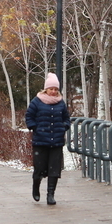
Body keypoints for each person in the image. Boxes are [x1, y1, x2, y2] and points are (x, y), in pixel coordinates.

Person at [25, 72, 71, 205]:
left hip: (56, 141)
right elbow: (29, 116)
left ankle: (51, 194)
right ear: (46, 89)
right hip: (40, 141)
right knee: (39, 167)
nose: (53, 91)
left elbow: (66, 118)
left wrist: (64, 126)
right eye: (51, 89)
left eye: (56, 89)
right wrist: (35, 127)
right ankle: (36, 187)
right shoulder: (37, 101)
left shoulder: (61, 103)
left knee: (54, 169)